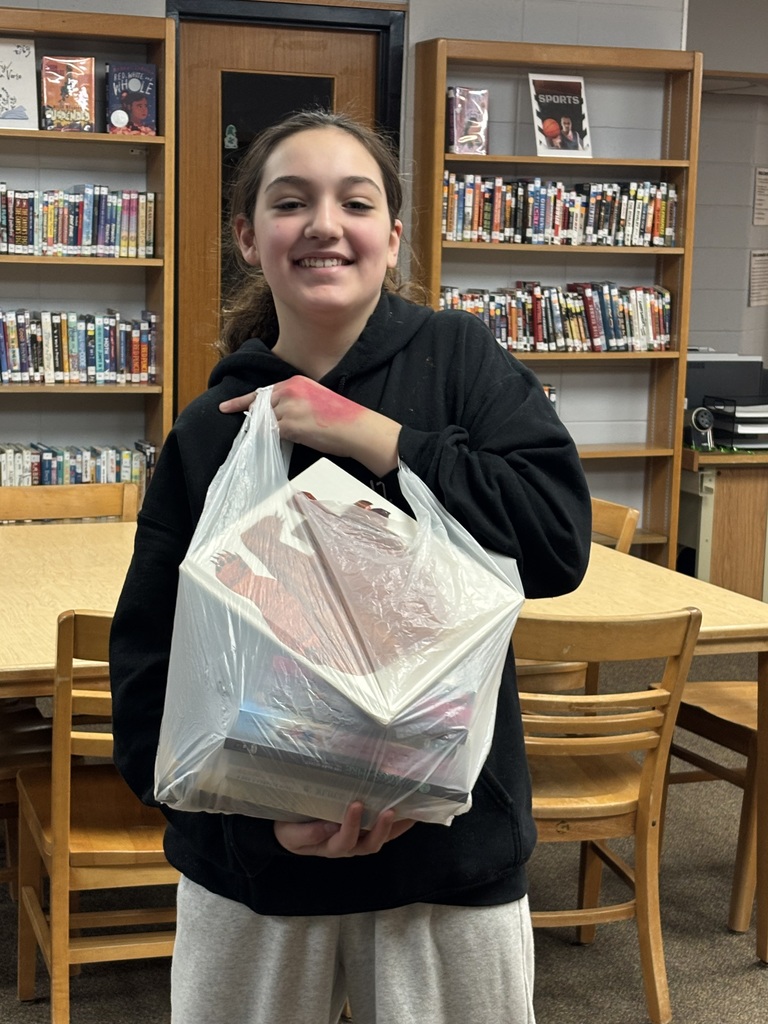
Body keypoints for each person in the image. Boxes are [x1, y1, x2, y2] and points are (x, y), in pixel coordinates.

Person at [110, 109, 592, 1024]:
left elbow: (556, 543)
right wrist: (257, 815)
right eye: (292, 202)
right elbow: (151, 663)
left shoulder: (460, 363)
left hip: (448, 861)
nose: (325, 223)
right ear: (249, 239)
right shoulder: (212, 432)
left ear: (393, 234)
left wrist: (374, 438)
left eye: (355, 201)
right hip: (256, 869)